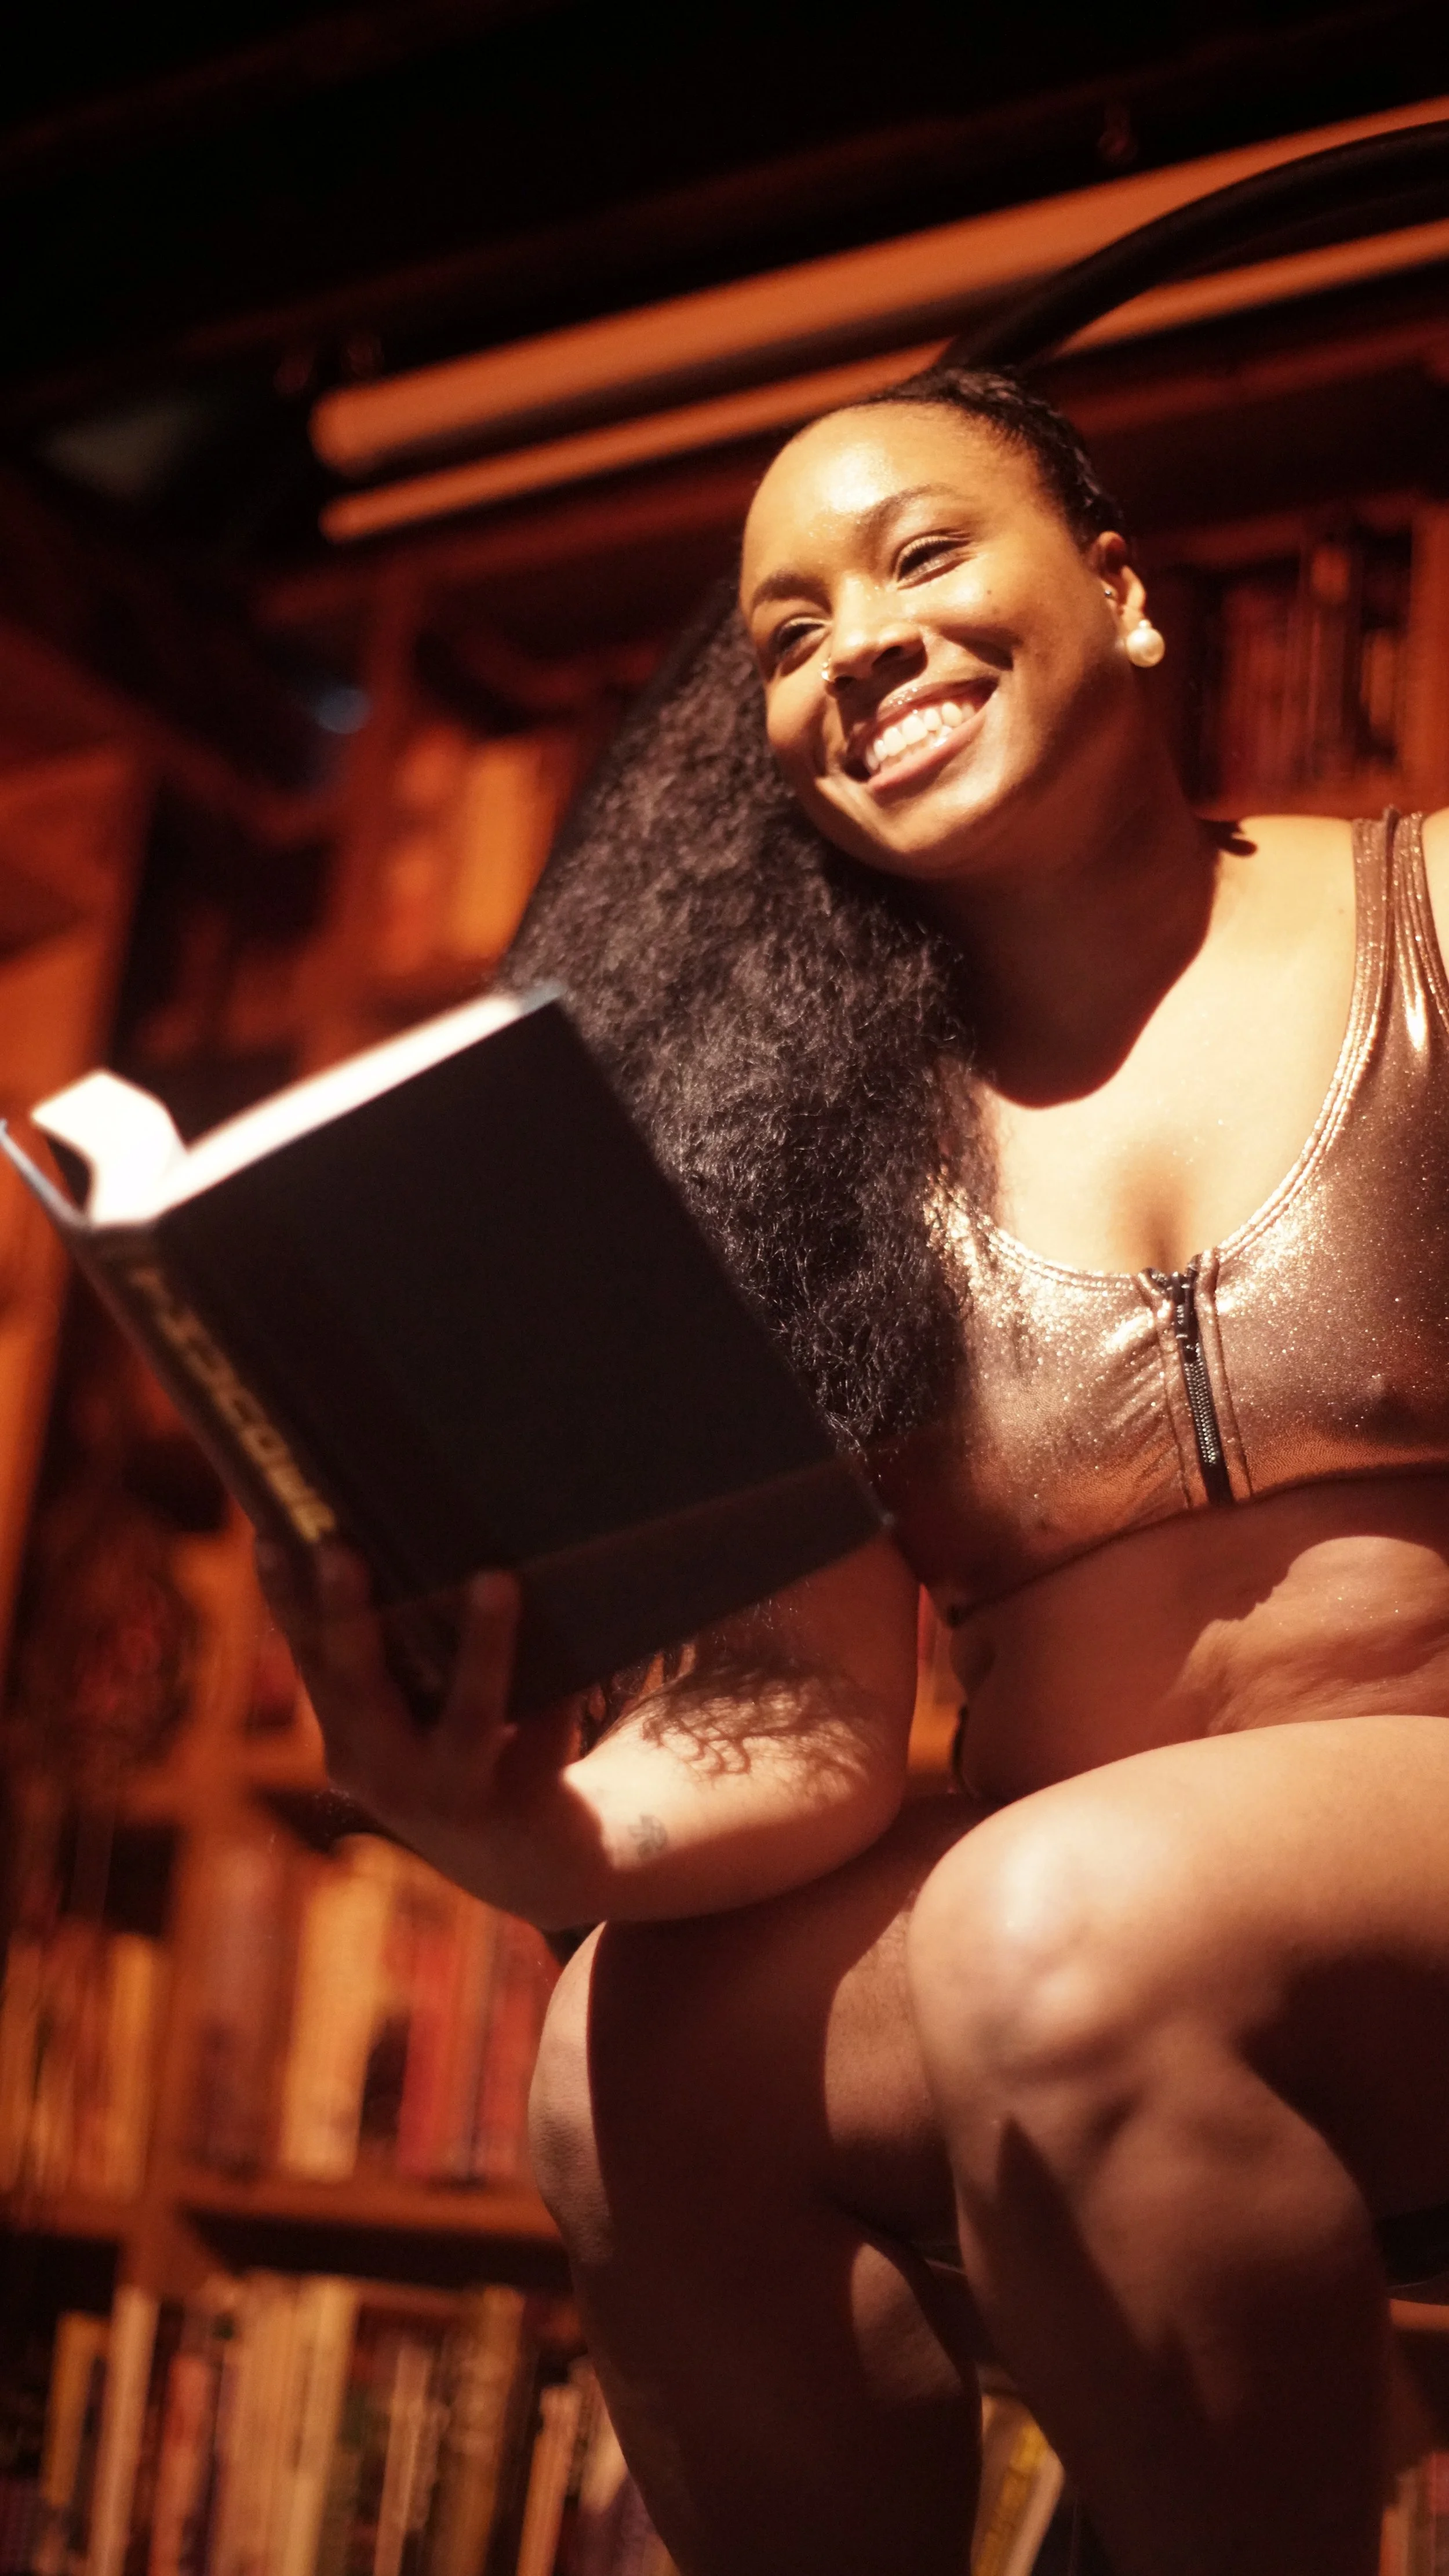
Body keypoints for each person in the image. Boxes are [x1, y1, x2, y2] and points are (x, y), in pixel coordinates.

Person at [261, 366, 1449, 2576]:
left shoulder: (1430, 922)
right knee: (618, 2058)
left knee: (1043, 1922)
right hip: (1059, 1948)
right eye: (785, 634)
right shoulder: (816, 1156)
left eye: (917, 557)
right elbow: (804, 1730)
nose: (855, 648)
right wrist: (507, 1814)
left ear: (1120, 592)